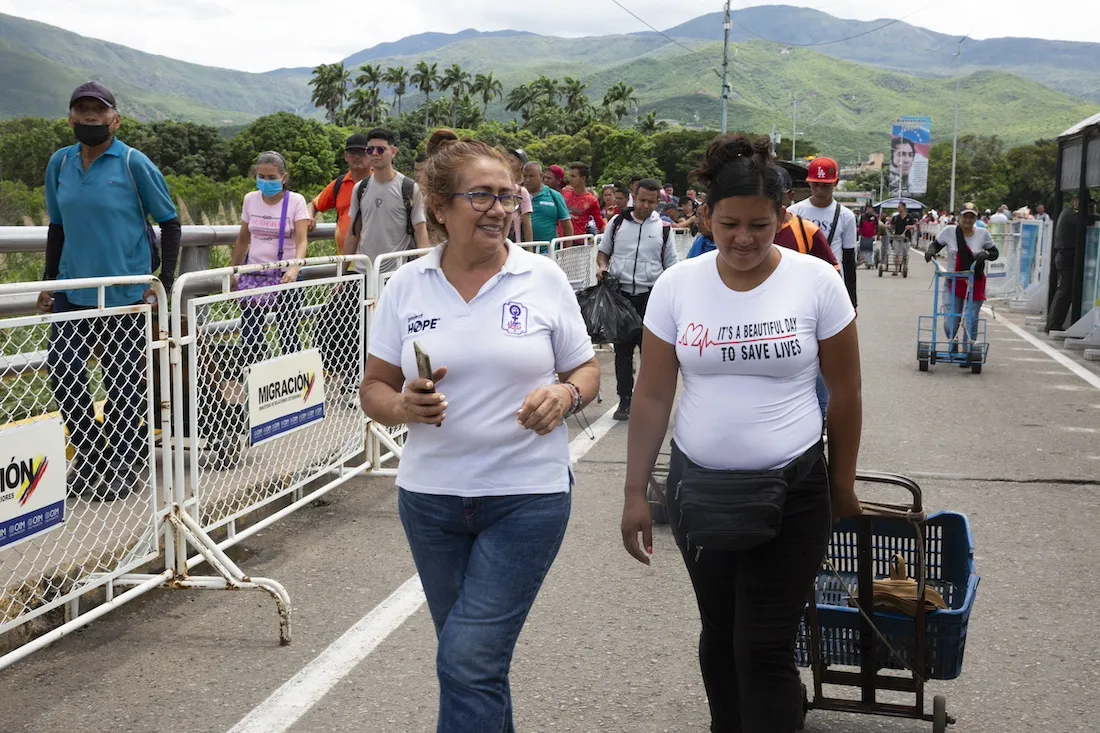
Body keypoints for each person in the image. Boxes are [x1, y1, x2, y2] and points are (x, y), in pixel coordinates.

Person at [620, 135, 862, 733]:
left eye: (760, 224)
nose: (744, 239)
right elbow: (652, 394)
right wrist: (633, 493)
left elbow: (848, 392)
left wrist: (843, 483)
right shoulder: (679, 286)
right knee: (721, 633)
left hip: (795, 491)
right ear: (705, 217)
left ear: (784, 216)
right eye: (728, 224)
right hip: (699, 495)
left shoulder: (818, 282)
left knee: (764, 645)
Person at [359, 138, 601, 733]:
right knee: (472, 663)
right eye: (482, 196)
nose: (499, 209)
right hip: (431, 499)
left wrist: (565, 395)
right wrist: (403, 406)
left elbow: (586, 370)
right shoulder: (407, 285)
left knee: (468, 657)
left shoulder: (541, 277)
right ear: (440, 206)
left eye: (506, 196)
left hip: (526, 497)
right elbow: (374, 389)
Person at [40, 81, 181, 501]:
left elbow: (169, 223)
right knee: (63, 369)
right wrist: (48, 282)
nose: (89, 118)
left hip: (125, 290)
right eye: (81, 111)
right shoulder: (60, 163)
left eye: (97, 112)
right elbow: (57, 228)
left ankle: (120, 460)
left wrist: (164, 282)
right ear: (70, 119)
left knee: (122, 380)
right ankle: (94, 452)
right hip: (73, 286)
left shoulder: (134, 163)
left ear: (114, 120)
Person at [595, 179, 678, 420]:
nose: (646, 205)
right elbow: (603, 252)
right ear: (634, 196)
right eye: (642, 200)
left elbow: (671, 265)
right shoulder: (617, 223)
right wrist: (602, 268)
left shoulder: (663, 229)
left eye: (651, 202)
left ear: (658, 201)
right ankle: (625, 401)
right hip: (620, 297)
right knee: (622, 352)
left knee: (650, 355)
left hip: (651, 298)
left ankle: (649, 401)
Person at [229, 151, 311, 366]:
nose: (266, 182)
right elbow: (243, 239)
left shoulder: (295, 201)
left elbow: (302, 241)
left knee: (287, 331)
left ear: (283, 178)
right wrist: (233, 271)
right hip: (254, 274)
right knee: (251, 332)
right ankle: (255, 379)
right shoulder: (250, 200)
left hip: (285, 276)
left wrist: (294, 269)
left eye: (272, 177)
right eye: (261, 177)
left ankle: (292, 375)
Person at [344, 128, 430, 275]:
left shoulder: (408, 188)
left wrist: (426, 272)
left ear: (393, 152)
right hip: (363, 271)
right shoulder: (360, 189)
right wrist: (341, 274)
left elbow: (421, 232)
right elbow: (353, 233)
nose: (375, 154)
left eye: (381, 150)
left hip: (397, 272)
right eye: (370, 150)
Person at [925, 202, 999, 352]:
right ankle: (953, 339)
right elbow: (935, 245)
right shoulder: (949, 232)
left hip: (974, 281)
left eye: (972, 217)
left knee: (971, 320)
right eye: (965, 216)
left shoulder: (982, 234)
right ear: (959, 217)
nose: (968, 220)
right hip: (953, 281)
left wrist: (985, 255)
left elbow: (995, 253)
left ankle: (968, 349)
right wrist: (931, 251)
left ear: (976, 219)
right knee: (950, 321)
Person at [789, 157, 858, 307]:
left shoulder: (846, 216)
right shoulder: (793, 213)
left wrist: (852, 301)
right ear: (809, 183)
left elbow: (849, 260)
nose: (820, 191)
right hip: (801, 285)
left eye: (825, 186)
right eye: (816, 185)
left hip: (832, 285)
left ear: (836, 183)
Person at [307, 133, 372, 247]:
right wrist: (308, 217)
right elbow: (313, 205)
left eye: (362, 153)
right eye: (352, 153)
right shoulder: (340, 184)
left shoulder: (379, 182)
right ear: (346, 156)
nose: (356, 157)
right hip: (344, 259)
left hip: (375, 260)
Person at [1045, 197, 1080, 333]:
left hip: (1063, 255)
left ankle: (1054, 323)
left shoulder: (1068, 212)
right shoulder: (1071, 214)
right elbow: (1085, 220)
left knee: (1064, 291)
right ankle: (1054, 324)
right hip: (1065, 256)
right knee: (1064, 291)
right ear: (1076, 201)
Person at [523, 161, 573, 242]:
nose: (527, 179)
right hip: (522, 250)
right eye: (525, 176)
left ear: (541, 176)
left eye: (531, 176)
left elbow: (567, 225)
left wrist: (566, 251)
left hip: (547, 250)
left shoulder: (554, 195)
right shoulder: (517, 195)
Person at [563, 161, 605, 237]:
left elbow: (600, 224)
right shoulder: (564, 193)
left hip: (579, 243)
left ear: (583, 178)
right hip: (560, 241)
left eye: (573, 176)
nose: (570, 179)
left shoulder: (592, 200)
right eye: (570, 176)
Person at [505, 148, 534, 242]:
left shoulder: (525, 188)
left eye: (511, 161)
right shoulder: (503, 184)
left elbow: (527, 222)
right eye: (507, 160)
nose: (507, 163)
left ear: (521, 165)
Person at [886, 202, 917, 272]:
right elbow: (892, 226)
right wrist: (889, 227)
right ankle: (896, 269)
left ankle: (904, 266)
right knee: (896, 253)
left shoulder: (909, 217)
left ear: (903, 208)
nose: (898, 208)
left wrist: (909, 226)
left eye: (899, 207)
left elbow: (914, 226)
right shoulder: (896, 217)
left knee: (905, 254)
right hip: (897, 237)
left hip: (906, 238)